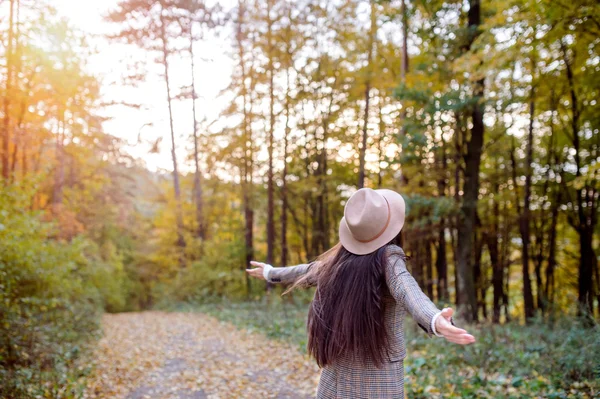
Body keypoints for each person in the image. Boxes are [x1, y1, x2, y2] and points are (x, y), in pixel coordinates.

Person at [246, 188, 475, 398]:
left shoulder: (339, 261)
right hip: (378, 379)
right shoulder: (387, 259)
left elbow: (408, 291)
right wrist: (435, 320)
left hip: (335, 376)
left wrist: (271, 273)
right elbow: (407, 289)